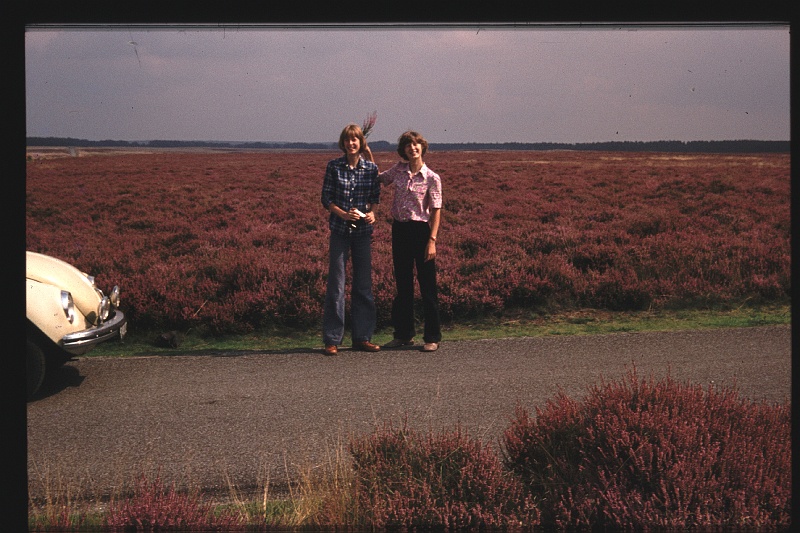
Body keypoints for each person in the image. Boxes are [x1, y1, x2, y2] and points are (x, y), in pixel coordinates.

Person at [372, 130, 442, 352]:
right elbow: (379, 178)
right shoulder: (398, 170)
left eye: (416, 144)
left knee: (427, 286)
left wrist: (432, 240)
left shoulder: (432, 177)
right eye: (408, 145)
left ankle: (432, 336)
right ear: (403, 150)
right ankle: (403, 334)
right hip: (400, 230)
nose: (412, 148)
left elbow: (436, 211)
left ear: (422, 147)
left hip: (421, 232)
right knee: (403, 286)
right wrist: (367, 152)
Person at [320, 124, 381, 355]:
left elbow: (375, 197)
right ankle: (333, 339)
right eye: (347, 140)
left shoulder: (370, 169)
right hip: (340, 231)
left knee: (363, 285)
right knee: (336, 285)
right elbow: (326, 199)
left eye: (355, 140)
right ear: (343, 143)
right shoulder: (334, 167)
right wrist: (344, 214)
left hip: (363, 234)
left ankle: (362, 337)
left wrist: (372, 213)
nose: (351, 143)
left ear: (361, 143)